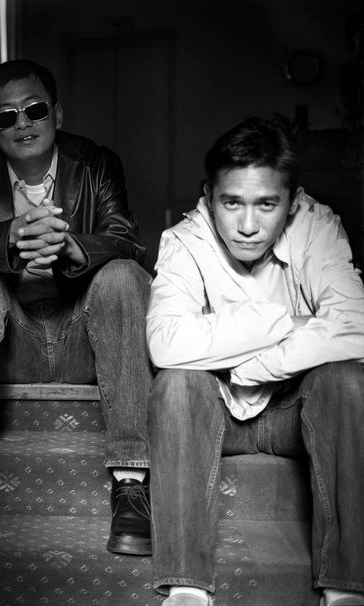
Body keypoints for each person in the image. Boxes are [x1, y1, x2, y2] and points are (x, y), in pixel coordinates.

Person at [0, 59, 153, 554]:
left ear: (57, 113)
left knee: (126, 275)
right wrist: (12, 237)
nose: (22, 123)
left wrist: (71, 248)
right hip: (11, 342)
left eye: (35, 109)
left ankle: (131, 483)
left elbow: (125, 239)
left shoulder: (97, 163)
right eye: (6, 117)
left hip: (85, 335)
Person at [146, 117, 364, 606]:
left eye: (267, 204)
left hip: (296, 413)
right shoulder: (184, 240)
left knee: (348, 380)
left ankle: (347, 586)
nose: (247, 225)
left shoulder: (318, 226)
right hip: (215, 415)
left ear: (292, 201)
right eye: (231, 203)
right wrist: (283, 321)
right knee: (178, 383)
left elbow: (356, 325)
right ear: (208, 195)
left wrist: (248, 365)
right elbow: (165, 344)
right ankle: (185, 586)